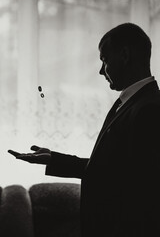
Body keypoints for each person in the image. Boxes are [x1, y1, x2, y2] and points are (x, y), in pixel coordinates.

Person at [8, 23, 160, 236]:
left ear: (125, 55)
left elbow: (138, 192)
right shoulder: (131, 104)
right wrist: (53, 159)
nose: (100, 71)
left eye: (104, 60)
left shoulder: (149, 109)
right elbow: (109, 171)